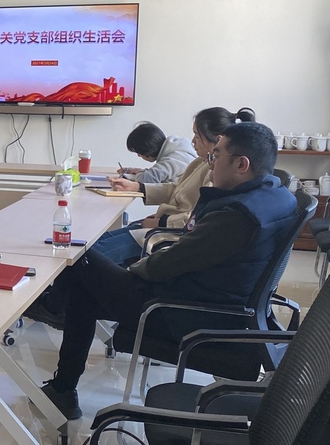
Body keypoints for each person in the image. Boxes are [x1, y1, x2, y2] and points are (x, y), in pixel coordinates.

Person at [25, 122, 297, 420]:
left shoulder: (235, 216)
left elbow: (161, 267)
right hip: (214, 303)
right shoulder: (275, 196)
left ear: (242, 165)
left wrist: (135, 266)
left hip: (177, 312)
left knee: (77, 256)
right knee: (83, 289)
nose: (210, 164)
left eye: (216, 156)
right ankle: (62, 387)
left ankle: (54, 315)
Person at [91, 107, 256, 265]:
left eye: (197, 136)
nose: (192, 141)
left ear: (218, 139)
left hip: (171, 234)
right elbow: (177, 189)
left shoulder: (218, 173)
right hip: (164, 224)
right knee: (96, 243)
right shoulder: (201, 162)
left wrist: (161, 222)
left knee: (92, 254)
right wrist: (138, 187)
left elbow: (197, 218)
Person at [118, 122, 196, 184]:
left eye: (139, 152)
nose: (138, 155)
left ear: (147, 149)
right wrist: (141, 171)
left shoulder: (175, 158)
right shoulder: (176, 148)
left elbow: (147, 179)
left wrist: (140, 173)